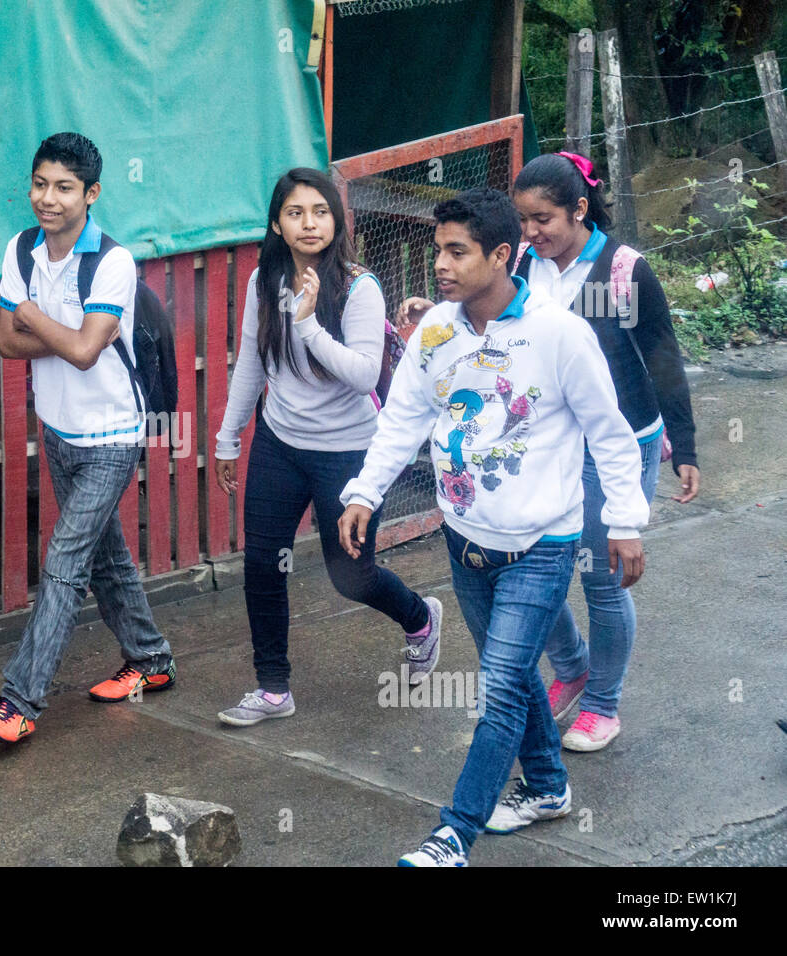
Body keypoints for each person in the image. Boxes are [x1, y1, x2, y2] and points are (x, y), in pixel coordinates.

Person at [340, 188, 650, 865]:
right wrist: (364, 491)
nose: (442, 266)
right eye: (438, 251)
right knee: (510, 674)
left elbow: (611, 431)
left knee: (500, 689)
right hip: (465, 540)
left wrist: (625, 519)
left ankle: (453, 834)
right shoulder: (436, 331)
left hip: (543, 544)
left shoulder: (559, 333)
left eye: (458, 252)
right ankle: (546, 787)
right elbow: (402, 420)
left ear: (502, 255)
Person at [399, 151, 700, 752]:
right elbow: (498, 327)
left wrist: (684, 444)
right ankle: (573, 666)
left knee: (604, 578)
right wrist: (439, 318)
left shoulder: (622, 270)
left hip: (618, 440)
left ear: (580, 210)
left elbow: (661, 356)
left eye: (542, 219)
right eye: (522, 219)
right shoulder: (525, 265)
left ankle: (602, 704)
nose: (530, 231)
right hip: (540, 439)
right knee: (533, 567)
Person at [212, 168, 442, 727]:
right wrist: (226, 436)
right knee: (263, 563)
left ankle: (420, 619)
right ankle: (272, 689)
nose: (309, 222)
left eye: (320, 211)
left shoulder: (360, 287)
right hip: (279, 441)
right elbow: (252, 361)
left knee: (350, 576)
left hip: (349, 453)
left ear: (336, 220)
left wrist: (310, 325)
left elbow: (365, 376)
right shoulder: (263, 283)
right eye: (295, 213)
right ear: (277, 224)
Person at [0, 132, 174, 744]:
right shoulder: (20, 250)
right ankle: (151, 660)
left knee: (64, 563)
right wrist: (59, 331)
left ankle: (18, 702)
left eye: (64, 188)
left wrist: (34, 316)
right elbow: (6, 345)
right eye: (40, 184)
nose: (48, 199)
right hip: (57, 429)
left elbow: (86, 352)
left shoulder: (112, 261)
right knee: (106, 556)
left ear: (91, 194)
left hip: (112, 434)